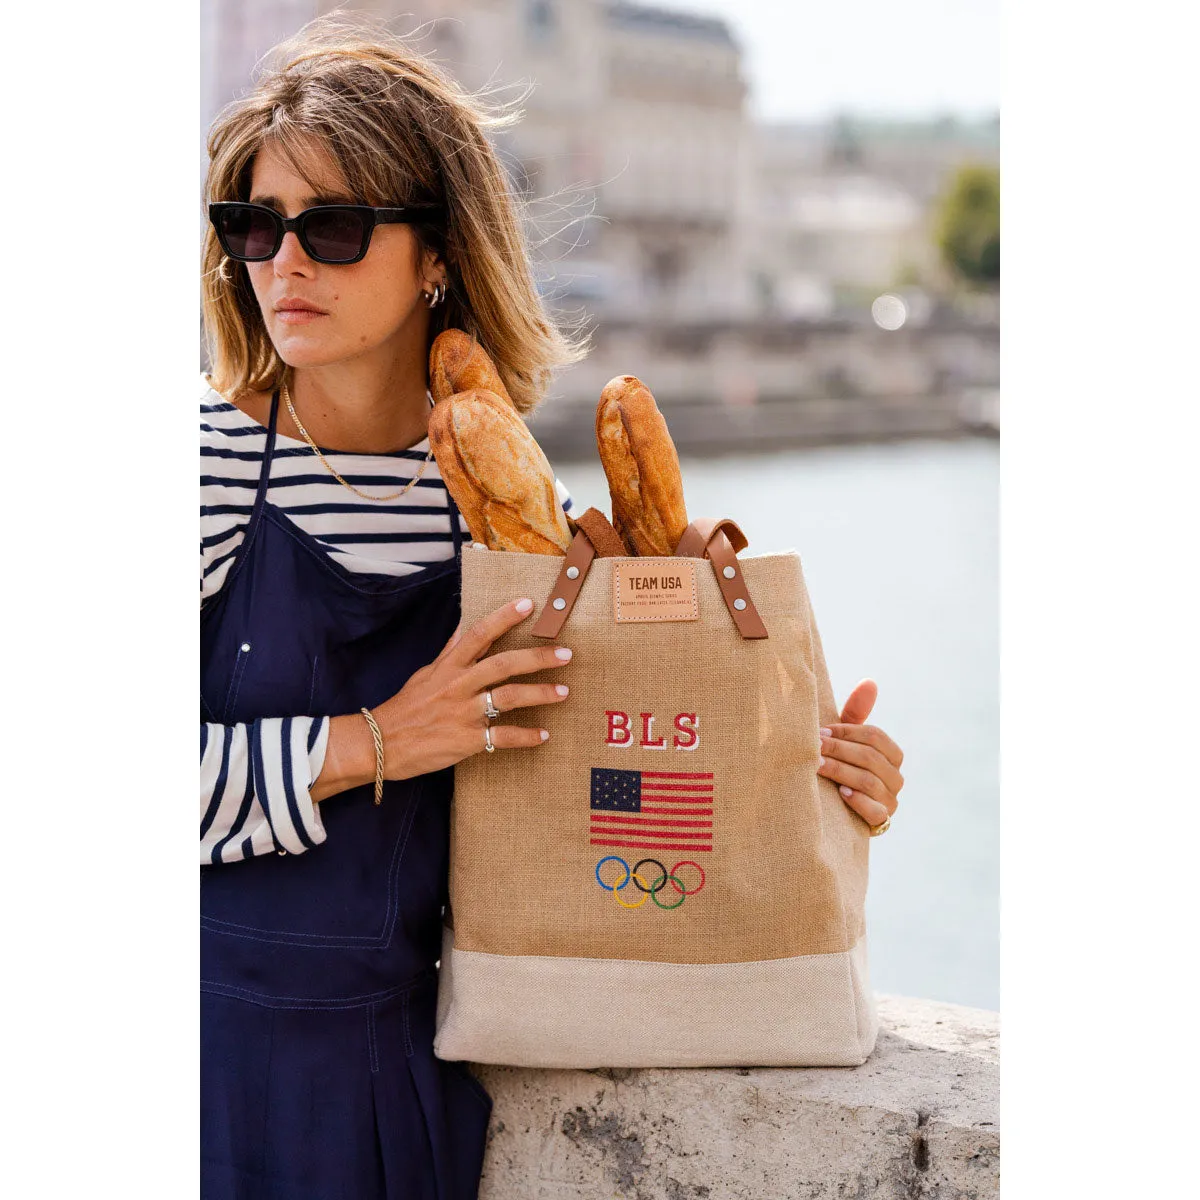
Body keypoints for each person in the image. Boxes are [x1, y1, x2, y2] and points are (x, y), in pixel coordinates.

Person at [199, 15, 905, 1200]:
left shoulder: (513, 516)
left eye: (330, 226)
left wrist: (812, 779)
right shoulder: (197, 467)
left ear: (436, 252)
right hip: (196, 1069)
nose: (284, 263)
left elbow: (613, 798)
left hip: (408, 1090)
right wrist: (377, 742)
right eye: (253, 227)